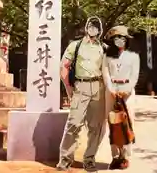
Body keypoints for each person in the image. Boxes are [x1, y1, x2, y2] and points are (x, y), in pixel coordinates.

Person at [56, 16, 106, 172]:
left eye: (97, 26)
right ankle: (65, 160)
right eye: (91, 25)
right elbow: (64, 68)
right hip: (80, 86)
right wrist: (69, 90)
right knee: (73, 124)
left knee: (95, 127)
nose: (93, 29)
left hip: (99, 88)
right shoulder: (75, 46)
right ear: (86, 27)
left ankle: (89, 159)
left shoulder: (104, 48)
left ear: (100, 30)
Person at [102, 25, 140, 170]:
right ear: (112, 40)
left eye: (122, 38)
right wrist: (111, 89)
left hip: (127, 93)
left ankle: (125, 156)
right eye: (116, 38)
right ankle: (115, 156)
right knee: (113, 124)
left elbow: (134, 76)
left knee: (127, 123)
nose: (119, 40)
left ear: (126, 40)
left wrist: (126, 89)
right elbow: (105, 74)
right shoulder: (107, 56)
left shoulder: (133, 56)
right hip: (111, 92)